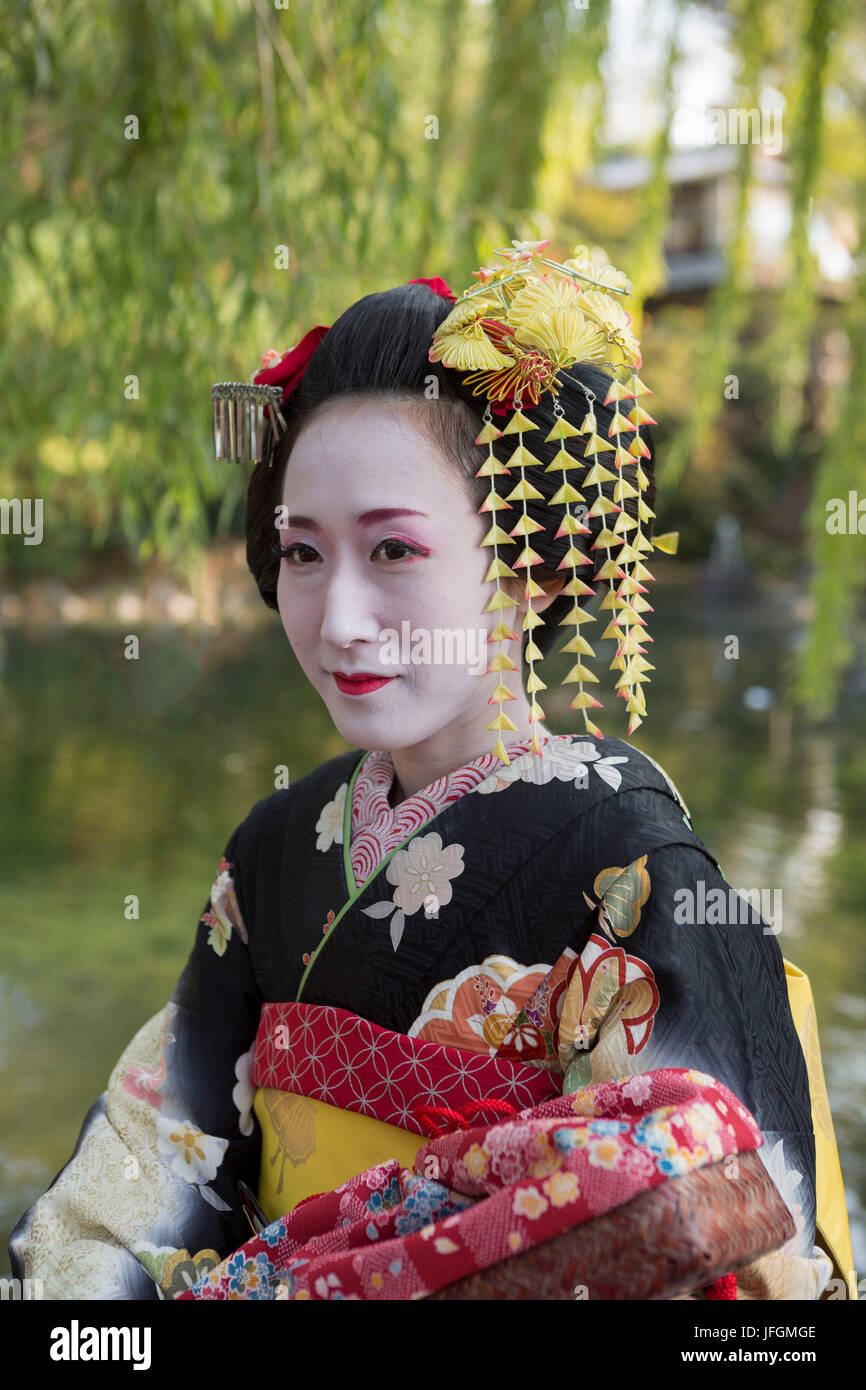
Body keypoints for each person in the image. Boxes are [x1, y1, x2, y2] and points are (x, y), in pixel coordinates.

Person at [8, 249, 840, 1300]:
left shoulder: (633, 869)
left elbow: (720, 1239)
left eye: (392, 551)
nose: (337, 618)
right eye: (302, 553)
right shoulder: (275, 847)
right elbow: (149, 1165)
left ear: (533, 566)